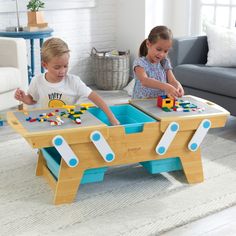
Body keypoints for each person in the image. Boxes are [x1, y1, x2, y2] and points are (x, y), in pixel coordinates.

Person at [14, 37, 120, 125]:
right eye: (57, 67)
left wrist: (112, 118)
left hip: (70, 125)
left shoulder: (74, 82)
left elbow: (96, 98)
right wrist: (24, 98)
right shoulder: (37, 81)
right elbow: (33, 100)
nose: (62, 71)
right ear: (45, 65)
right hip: (47, 124)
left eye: (66, 66)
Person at [132, 25, 184, 99]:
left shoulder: (164, 62)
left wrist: (178, 85)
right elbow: (145, 81)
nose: (162, 54)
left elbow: (172, 80)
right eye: (159, 49)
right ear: (148, 44)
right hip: (141, 103)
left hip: (158, 103)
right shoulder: (140, 63)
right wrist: (166, 86)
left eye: (165, 51)